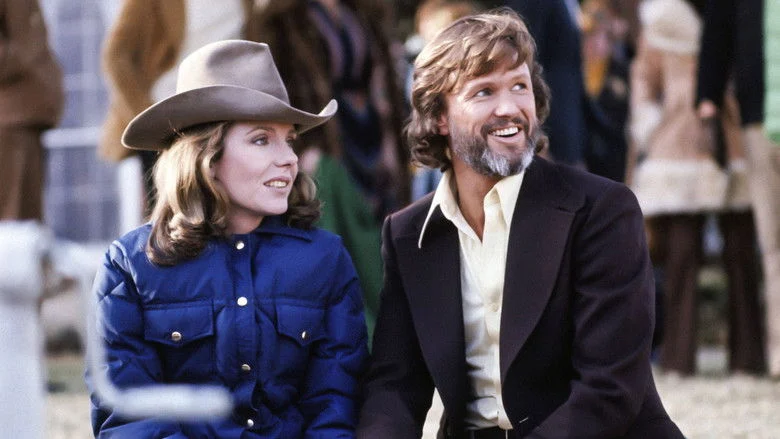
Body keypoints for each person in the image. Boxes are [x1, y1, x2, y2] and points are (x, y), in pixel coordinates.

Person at [357, 9, 684, 438]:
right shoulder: (408, 235)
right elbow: (394, 388)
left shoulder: (602, 211)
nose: (509, 108)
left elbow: (607, 391)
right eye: (484, 92)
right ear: (439, 117)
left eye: (519, 86)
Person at [88, 40, 368, 437]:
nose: (289, 158)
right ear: (205, 156)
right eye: (261, 139)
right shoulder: (130, 266)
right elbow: (129, 413)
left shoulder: (325, 259)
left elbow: (336, 405)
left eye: (289, 139)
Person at [246, 0, 409, 337]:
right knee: (338, 242)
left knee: (381, 246)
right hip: (322, 148)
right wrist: (297, 148)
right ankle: (355, 339)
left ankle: (391, 343)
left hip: (371, 140)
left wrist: (393, 143)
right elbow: (273, 97)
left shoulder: (363, 11)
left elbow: (382, 82)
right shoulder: (280, 20)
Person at [628, 0, 765, 375]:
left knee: (741, 251)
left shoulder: (738, 11)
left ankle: (749, 359)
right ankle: (679, 358)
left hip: (733, 140)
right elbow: (644, 79)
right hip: (677, 141)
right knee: (681, 254)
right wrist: (650, 125)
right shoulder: (661, 18)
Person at [101, 0, 255, 219]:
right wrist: (147, 116)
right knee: (172, 221)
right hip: (167, 124)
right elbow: (116, 56)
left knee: (229, 216)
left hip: (227, 119)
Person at [696, 0, 780, 378]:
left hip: (757, 117)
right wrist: (707, 99)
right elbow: (716, 33)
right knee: (773, 242)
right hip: (758, 121)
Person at [0, 0, 64, 221]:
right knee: (14, 221)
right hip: (10, 120)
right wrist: (26, 53)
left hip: (27, 117)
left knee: (26, 220)